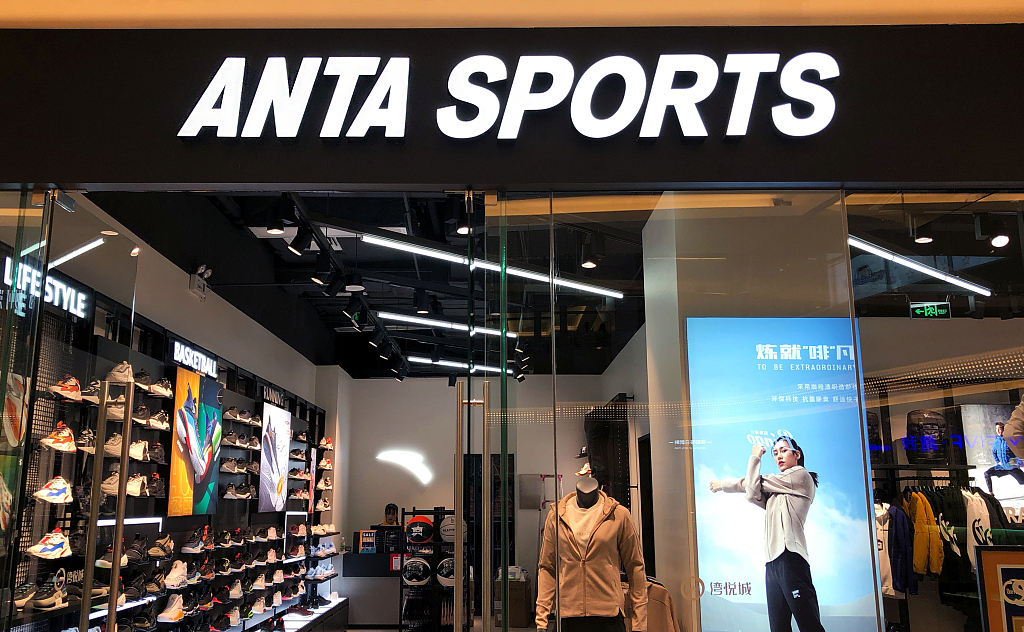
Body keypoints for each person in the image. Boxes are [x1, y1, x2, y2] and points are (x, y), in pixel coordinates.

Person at [709, 436, 825, 632]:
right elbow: (751, 491)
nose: (779, 456)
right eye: (775, 453)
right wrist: (739, 485)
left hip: (791, 556)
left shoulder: (801, 475)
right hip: (772, 562)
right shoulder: (775, 492)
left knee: (809, 624)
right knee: (778, 628)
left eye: (784, 451)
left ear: (796, 454)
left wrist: (752, 460)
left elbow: (756, 483)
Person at [984, 422, 1024, 492]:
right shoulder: (997, 441)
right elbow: (994, 452)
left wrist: (1014, 462)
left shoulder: (1010, 440)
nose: (998, 431)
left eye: (999, 428)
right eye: (996, 429)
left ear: (1004, 429)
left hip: (1012, 467)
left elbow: (1019, 453)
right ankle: (991, 493)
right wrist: (998, 461)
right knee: (987, 473)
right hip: (1002, 467)